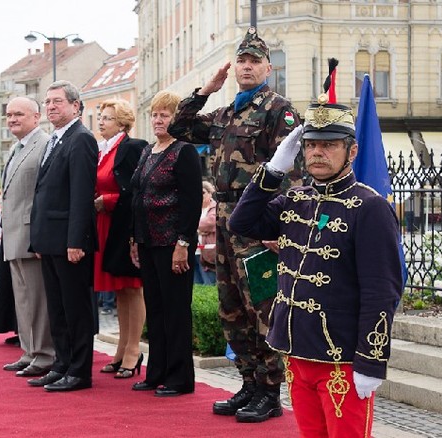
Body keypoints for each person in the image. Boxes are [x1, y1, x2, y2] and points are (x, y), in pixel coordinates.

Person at [228, 95, 403, 435]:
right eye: (310, 145)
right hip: (295, 350)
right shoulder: (295, 199)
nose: (317, 153)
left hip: (341, 357)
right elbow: (241, 223)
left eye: (329, 145)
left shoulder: (370, 207)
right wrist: (273, 170)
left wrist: (371, 360)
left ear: (351, 152)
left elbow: (382, 290)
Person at [167, 27, 300, 422]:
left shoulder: (279, 111)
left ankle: (270, 391)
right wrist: (206, 89)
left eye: (254, 61)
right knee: (232, 307)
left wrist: (277, 229)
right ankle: (249, 383)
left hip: (256, 222)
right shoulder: (225, 113)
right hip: (224, 220)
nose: (246, 66)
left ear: (267, 68)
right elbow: (179, 128)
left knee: (262, 304)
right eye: (241, 60)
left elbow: (292, 173)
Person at [129, 90, 202, 397]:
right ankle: (156, 371)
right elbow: (137, 196)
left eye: (165, 115)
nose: (158, 120)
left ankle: (179, 377)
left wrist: (184, 242)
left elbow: (191, 201)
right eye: (155, 115)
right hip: (147, 242)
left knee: (175, 312)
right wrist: (134, 238)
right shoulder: (148, 151)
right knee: (155, 311)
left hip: (173, 244)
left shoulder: (184, 151)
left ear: (177, 119)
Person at [28, 80, 98, 392]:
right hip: (50, 239)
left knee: (75, 309)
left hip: (70, 242)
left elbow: (81, 196)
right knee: (57, 308)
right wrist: (39, 240)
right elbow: (44, 192)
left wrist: (75, 241)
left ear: (75, 106)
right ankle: (62, 364)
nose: (51, 106)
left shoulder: (81, 139)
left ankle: (80, 371)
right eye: (48, 102)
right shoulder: (55, 139)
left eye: (57, 101)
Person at [0, 96, 55, 378]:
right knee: (22, 299)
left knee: (38, 299)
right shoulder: (16, 147)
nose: (12, 119)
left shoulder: (44, 144)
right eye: (9, 115)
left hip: (31, 233)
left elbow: (43, 194)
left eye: (19, 114)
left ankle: (45, 354)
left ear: (36, 116)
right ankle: (29, 351)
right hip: (13, 233)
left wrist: (40, 236)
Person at [93, 99, 147, 379]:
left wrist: (110, 200)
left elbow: (138, 188)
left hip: (124, 224)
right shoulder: (102, 150)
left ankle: (134, 349)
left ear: (123, 122)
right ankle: (123, 347)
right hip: (106, 224)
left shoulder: (132, 146)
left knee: (132, 287)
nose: (101, 121)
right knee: (119, 290)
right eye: (100, 117)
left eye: (108, 118)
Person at [194, 181, 217, 285]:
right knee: (196, 285)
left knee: (209, 284)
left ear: (210, 193)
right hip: (193, 252)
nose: (200, 195)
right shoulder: (193, 208)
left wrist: (193, 229)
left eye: (203, 192)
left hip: (208, 255)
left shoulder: (215, 207)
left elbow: (210, 223)